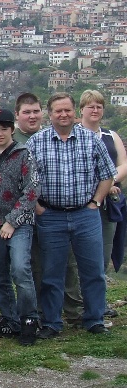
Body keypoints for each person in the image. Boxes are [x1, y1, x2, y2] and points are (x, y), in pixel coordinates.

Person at [27, 92, 116, 339]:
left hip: (85, 215)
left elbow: (107, 174)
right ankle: (52, 322)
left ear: (75, 111)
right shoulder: (36, 142)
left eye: (67, 110)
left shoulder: (91, 140)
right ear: (50, 114)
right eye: (58, 111)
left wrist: (96, 202)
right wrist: (37, 207)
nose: (63, 114)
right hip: (50, 215)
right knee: (52, 273)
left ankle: (94, 319)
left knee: (93, 270)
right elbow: (25, 179)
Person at [0, 109, 40, 346]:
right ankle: (10, 318)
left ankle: (29, 319)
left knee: (20, 269)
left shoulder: (24, 155)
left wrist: (12, 221)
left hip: (19, 223)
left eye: (4, 128)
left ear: (12, 130)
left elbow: (32, 190)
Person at [77, 90, 127, 318]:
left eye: (99, 106)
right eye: (91, 106)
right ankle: (78, 303)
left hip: (109, 205)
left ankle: (98, 303)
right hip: (82, 204)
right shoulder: (74, 135)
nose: (95, 110)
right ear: (82, 110)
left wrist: (110, 182)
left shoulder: (110, 135)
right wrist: (101, 186)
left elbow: (123, 164)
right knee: (79, 257)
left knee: (103, 254)